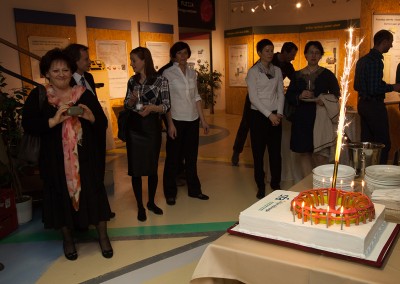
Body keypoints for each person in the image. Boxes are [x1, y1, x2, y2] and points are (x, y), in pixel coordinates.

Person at [22, 48, 113, 260]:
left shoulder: (83, 94)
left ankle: (103, 237)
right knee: (60, 195)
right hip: (54, 160)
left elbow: (102, 123)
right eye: (56, 70)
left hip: (85, 158)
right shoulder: (39, 96)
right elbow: (28, 124)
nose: (62, 74)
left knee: (94, 193)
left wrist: (91, 118)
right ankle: (68, 240)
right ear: (47, 73)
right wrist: (52, 121)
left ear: (71, 71)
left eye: (65, 69)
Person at [64, 43, 116, 219]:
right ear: (74, 61)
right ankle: (89, 211)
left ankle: (101, 207)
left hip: (96, 132)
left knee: (99, 170)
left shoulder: (89, 77)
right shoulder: (67, 84)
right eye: (85, 59)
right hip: (80, 136)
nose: (89, 61)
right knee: (86, 175)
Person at [231, 42, 298, 166]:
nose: (293, 58)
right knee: (246, 123)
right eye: (292, 55)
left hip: (272, 101)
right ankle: (237, 150)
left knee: (272, 136)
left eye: (271, 50)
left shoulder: (287, 66)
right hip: (255, 100)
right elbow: (254, 85)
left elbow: (295, 80)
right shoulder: (263, 63)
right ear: (285, 52)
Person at [124, 47, 170, 221]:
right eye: (131, 60)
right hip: (134, 128)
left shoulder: (160, 80)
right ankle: (139, 206)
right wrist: (132, 101)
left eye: (134, 60)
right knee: (135, 169)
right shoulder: (132, 81)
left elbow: (166, 105)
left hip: (151, 127)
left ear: (144, 60)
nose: (131, 63)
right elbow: (126, 104)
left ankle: (151, 202)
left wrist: (151, 108)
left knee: (151, 167)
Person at [162, 41, 210, 206]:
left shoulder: (192, 73)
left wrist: (203, 120)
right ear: (174, 55)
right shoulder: (167, 74)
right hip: (176, 119)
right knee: (173, 158)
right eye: (179, 53)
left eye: (185, 53)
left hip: (192, 119)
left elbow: (196, 97)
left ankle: (195, 190)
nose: (182, 56)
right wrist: (170, 124)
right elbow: (166, 101)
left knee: (191, 157)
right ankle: (170, 192)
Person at [286, 41, 340, 180]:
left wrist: (325, 99)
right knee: (304, 152)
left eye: (317, 52)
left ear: (321, 55)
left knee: (320, 153)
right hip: (302, 119)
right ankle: (308, 185)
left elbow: (336, 94)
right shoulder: (297, 75)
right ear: (305, 55)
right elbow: (289, 96)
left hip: (320, 119)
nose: (313, 55)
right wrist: (299, 95)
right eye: (311, 52)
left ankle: (319, 185)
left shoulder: (327, 74)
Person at [246, 39, 285, 199]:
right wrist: (270, 115)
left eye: (271, 50)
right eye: (266, 50)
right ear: (260, 53)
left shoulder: (277, 70)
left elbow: (281, 93)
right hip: (259, 117)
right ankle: (260, 185)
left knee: (276, 152)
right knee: (258, 153)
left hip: (276, 115)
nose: (270, 53)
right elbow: (253, 98)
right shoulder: (253, 72)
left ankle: (275, 184)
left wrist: (279, 113)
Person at [355, 30, 400, 164]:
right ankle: (379, 174)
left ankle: (366, 173)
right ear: (384, 41)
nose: (391, 46)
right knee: (383, 144)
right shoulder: (376, 61)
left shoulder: (362, 60)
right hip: (374, 106)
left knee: (367, 143)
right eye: (390, 43)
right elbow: (375, 89)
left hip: (363, 104)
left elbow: (357, 86)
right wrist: (393, 87)